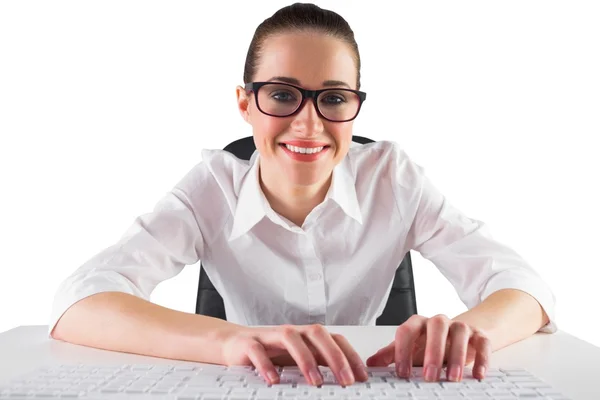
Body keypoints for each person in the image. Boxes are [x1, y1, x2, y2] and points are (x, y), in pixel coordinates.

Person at [49, 2, 556, 387]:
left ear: (355, 107)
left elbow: (524, 287)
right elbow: (80, 302)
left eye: (334, 98)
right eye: (283, 95)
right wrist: (233, 341)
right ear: (246, 104)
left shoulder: (392, 178)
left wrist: (468, 330)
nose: (309, 124)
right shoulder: (212, 188)